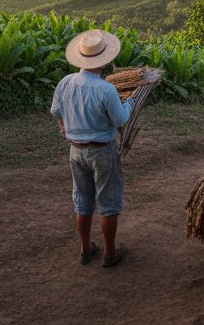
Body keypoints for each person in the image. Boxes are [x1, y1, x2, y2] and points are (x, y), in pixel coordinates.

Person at [50, 29, 134, 267]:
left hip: (75, 151)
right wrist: (131, 102)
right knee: (108, 202)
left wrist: (68, 129)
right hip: (102, 151)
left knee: (82, 200)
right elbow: (120, 120)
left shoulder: (65, 82)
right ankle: (109, 253)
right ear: (105, 59)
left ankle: (85, 249)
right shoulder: (106, 89)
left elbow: (56, 113)